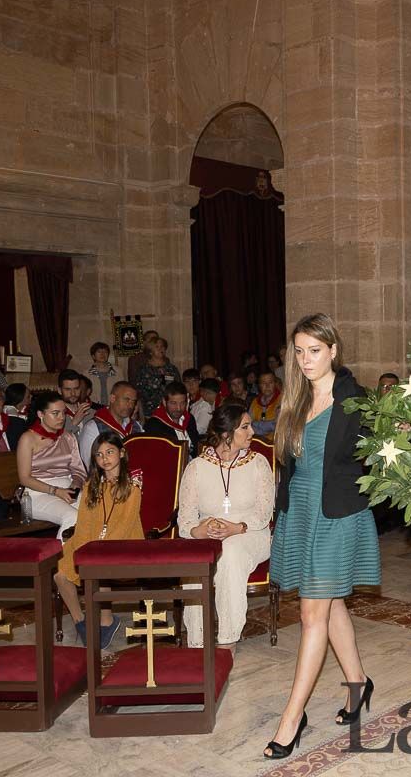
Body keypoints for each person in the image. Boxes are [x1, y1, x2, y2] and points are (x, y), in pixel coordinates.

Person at [265, 314, 381, 759]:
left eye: (315, 350)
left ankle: (291, 718)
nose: (306, 359)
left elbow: (382, 457)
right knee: (329, 607)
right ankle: (358, 684)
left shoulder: (355, 399)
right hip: (302, 511)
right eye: (299, 351)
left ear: (333, 350)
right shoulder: (293, 398)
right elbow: (288, 467)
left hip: (336, 515)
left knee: (313, 612)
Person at [178, 403, 273, 648]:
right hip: (207, 534)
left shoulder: (258, 463)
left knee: (229, 553)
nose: (252, 431)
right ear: (225, 434)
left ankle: (227, 640)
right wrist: (198, 531)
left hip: (251, 533)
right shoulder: (196, 467)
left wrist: (236, 527)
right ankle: (197, 641)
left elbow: (264, 514)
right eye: (245, 427)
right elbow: (185, 520)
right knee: (196, 557)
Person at [54, 431, 143, 648]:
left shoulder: (132, 488)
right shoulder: (91, 487)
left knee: (100, 570)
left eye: (110, 452)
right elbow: (83, 523)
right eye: (99, 455)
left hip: (123, 545)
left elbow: (124, 527)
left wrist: (95, 553)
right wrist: (82, 550)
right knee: (60, 573)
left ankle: (106, 620)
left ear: (121, 453)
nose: (104, 458)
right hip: (91, 543)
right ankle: (80, 622)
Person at [16, 390, 85, 536]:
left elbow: (78, 470)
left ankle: (89, 556)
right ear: (41, 414)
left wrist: (75, 486)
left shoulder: (68, 437)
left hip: (67, 489)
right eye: (55, 413)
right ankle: (61, 558)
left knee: (96, 513)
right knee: (72, 517)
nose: (62, 418)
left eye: (63, 412)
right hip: (37, 494)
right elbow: (24, 478)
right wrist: (55, 491)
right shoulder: (28, 438)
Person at [78, 381, 141, 459]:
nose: (130, 405)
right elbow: (89, 464)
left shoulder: (136, 426)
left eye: (133, 401)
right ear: (112, 398)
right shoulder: (93, 428)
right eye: (126, 399)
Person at [144, 381, 200, 458]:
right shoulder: (154, 425)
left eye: (182, 403)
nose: (178, 408)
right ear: (164, 402)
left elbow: (196, 445)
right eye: (173, 403)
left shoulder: (189, 419)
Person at [133, 336, 182, 416]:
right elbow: (138, 395)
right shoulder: (143, 370)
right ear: (150, 351)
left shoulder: (171, 369)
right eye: (157, 347)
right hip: (150, 413)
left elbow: (179, 390)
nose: (161, 349)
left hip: (170, 412)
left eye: (162, 346)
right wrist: (141, 415)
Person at [57, 369, 94, 437]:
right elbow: (55, 443)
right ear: (59, 390)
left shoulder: (91, 412)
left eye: (76, 388)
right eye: (68, 389)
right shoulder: (54, 415)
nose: (73, 393)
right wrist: (74, 423)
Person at [86, 341, 123, 406]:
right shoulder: (87, 373)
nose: (102, 354)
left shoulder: (118, 371)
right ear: (93, 356)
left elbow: (123, 390)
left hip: (114, 407)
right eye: (99, 352)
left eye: (105, 352)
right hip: (93, 408)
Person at [250, 372, 283, 437]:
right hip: (257, 443)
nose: (267, 386)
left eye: (270, 382)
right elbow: (248, 424)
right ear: (259, 385)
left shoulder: (283, 400)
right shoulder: (255, 402)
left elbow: (277, 425)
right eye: (263, 383)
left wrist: (255, 424)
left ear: (275, 384)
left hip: (276, 444)